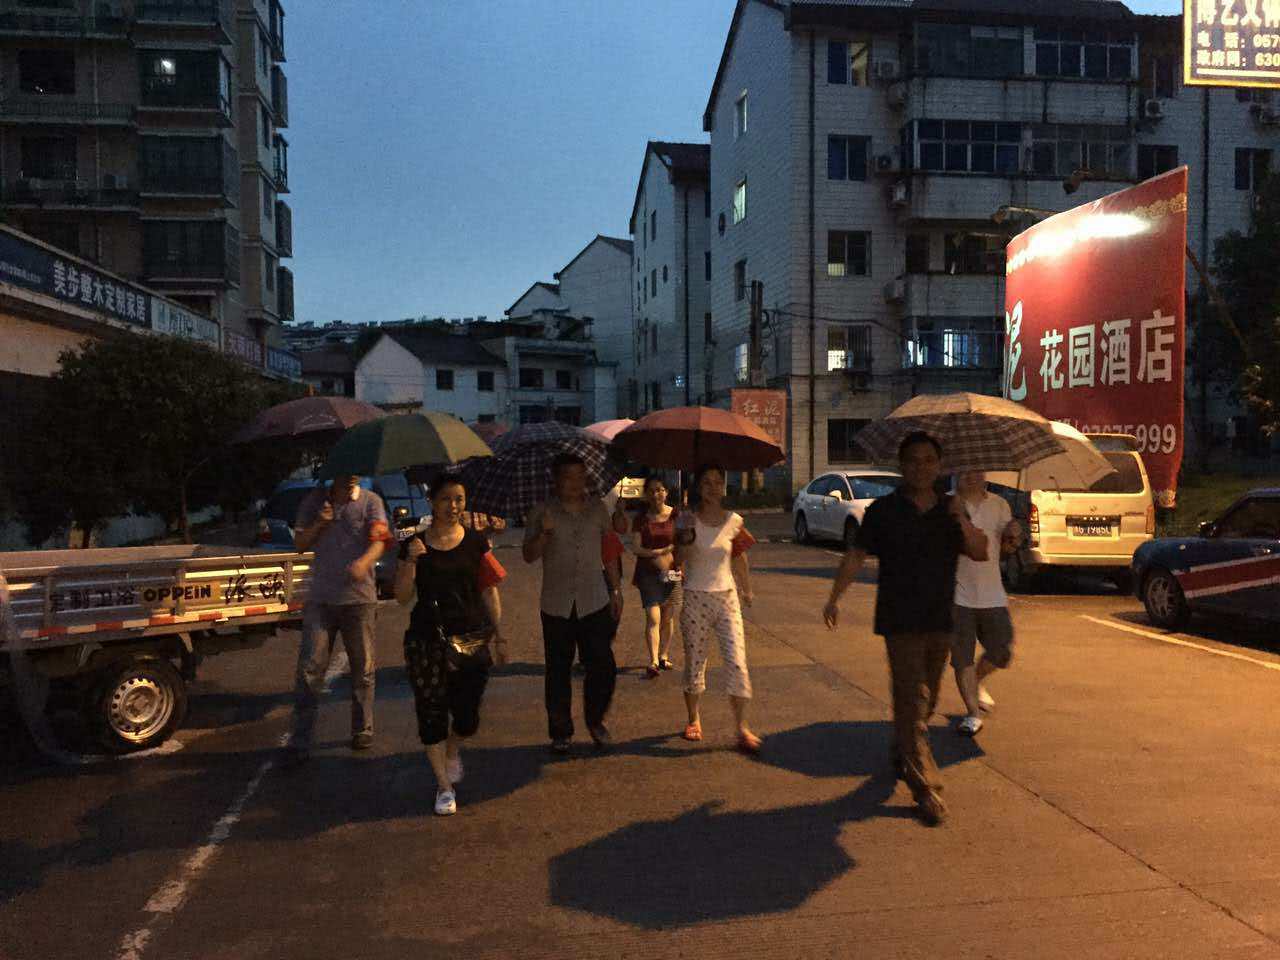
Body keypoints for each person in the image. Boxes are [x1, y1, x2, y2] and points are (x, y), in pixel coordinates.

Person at [822, 433, 988, 825]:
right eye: (914, 460)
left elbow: (980, 551)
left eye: (929, 460)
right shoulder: (884, 510)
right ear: (902, 465)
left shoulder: (950, 510)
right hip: (899, 620)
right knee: (912, 699)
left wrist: (961, 516)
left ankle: (903, 749)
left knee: (927, 700)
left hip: (939, 618)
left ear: (939, 466)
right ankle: (925, 786)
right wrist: (834, 597)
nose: (921, 467)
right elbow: (856, 554)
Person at [395, 475, 508, 817]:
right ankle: (444, 787)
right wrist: (411, 562)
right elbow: (401, 597)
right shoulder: (414, 545)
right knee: (431, 710)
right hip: (426, 639)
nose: (453, 506)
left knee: (467, 716)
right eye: (446, 499)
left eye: (459, 498)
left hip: (470, 637)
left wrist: (500, 635)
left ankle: (453, 748)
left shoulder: (476, 542)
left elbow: (490, 590)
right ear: (431, 502)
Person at [287, 474, 392, 763]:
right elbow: (299, 543)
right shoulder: (314, 502)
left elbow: (380, 541)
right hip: (321, 600)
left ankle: (362, 728)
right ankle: (300, 739)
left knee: (363, 668)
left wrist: (364, 562)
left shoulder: (371, 502)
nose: (354, 474)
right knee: (309, 670)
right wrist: (320, 522)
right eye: (348, 469)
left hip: (359, 600)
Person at [523, 453, 624, 753]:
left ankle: (596, 720)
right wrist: (545, 533)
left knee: (603, 666)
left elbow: (609, 549)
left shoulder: (598, 509)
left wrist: (616, 589)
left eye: (581, 476)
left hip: (595, 598)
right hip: (556, 604)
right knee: (558, 670)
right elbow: (528, 555)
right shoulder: (541, 511)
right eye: (569, 476)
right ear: (556, 480)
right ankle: (561, 732)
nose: (576, 483)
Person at [675, 464, 761, 754]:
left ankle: (741, 727)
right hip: (695, 598)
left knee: (737, 661)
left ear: (724, 486)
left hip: (727, 599)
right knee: (695, 662)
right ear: (698, 488)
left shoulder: (734, 521)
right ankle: (693, 718)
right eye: (706, 483)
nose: (713, 488)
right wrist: (685, 534)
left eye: (717, 482)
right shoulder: (686, 519)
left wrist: (747, 589)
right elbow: (677, 560)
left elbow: (739, 557)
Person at [950, 471, 1021, 737]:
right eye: (965, 470)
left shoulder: (1000, 504)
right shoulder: (946, 503)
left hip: (992, 594)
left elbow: (1006, 551)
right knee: (962, 658)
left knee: (1002, 651)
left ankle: (977, 681)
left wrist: (1013, 536)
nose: (971, 475)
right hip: (957, 596)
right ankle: (972, 713)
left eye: (977, 470)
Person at [631, 476, 682, 678]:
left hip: (672, 571)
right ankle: (652, 661)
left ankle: (663, 655)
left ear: (666, 492)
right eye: (651, 491)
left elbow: (684, 542)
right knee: (653, 616)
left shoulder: (676, 515)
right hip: (648, 572)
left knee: (668, 617)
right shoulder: (640, 519)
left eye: (659, 489)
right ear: (646, 495)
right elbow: (636, 548)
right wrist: (658, 552)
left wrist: (676, 559)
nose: (656, 494)